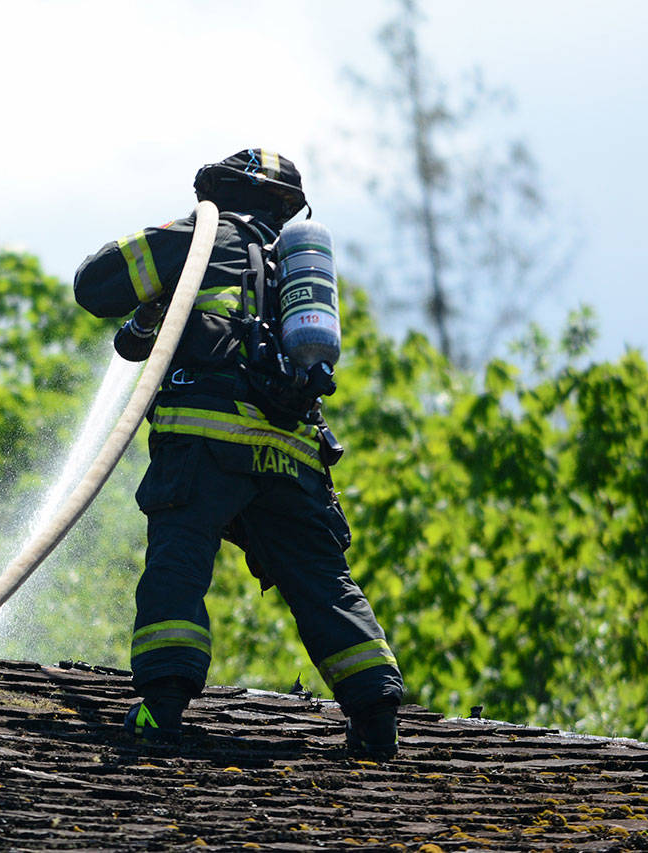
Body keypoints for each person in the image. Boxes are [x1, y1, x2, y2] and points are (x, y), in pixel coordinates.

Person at [73, 149, 404, 760]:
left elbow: (94, 285)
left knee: (178, 563)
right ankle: (376, 714)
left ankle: (161, 708)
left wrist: (171, 256)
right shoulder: (299, 271)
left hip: (205, 438)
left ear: (220, 192)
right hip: (294, 451)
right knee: (322, 580)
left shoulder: (199, 240)